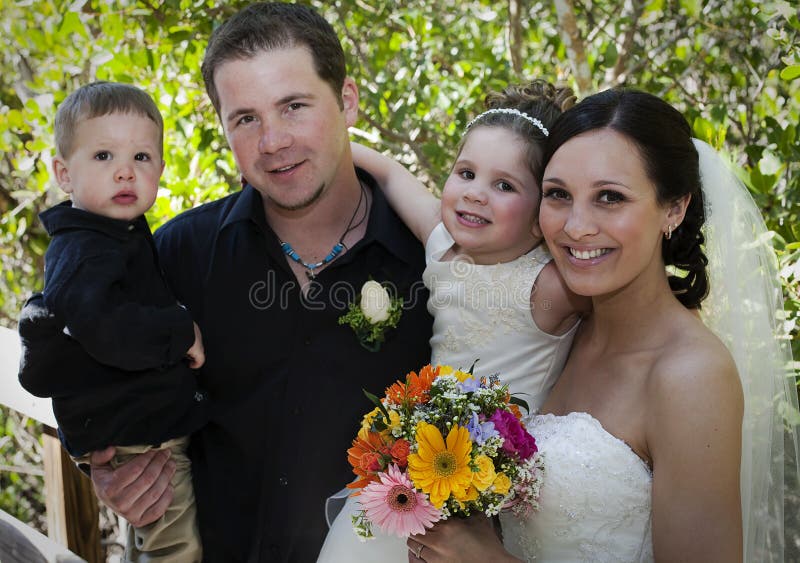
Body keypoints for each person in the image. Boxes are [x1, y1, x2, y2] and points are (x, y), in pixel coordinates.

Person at [50, 3, 431, 562]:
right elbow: (85, 356)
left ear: (347, 100)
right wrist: (105, 467)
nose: (273, 141)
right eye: (246, 119)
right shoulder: (176, 252)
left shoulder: (429, 260)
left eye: (294, 106)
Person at [401, 89, 800, 562]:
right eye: (558, 195)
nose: (577, 225)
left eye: (610, 197)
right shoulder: (557, 329)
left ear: (674, 208)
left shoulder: (691, 376)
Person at [317, 80, 590, 562]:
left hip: (496, 494)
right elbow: (389, 171)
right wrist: (319, 150)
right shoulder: (442, 245)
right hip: (415, 471)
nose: (475, 195)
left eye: (504, 185)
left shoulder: (551, 286)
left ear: (542, 212)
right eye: (466, 173)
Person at [17, 81, 208, 561]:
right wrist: (179, 330)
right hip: (137, 437)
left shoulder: (114, 234)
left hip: (143, 424)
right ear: (64, 172)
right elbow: (100, 326)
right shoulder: (84, 247)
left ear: (162, 169)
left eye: (142, 158)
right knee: (174, 546)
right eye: (103, 156)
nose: (125, 171)